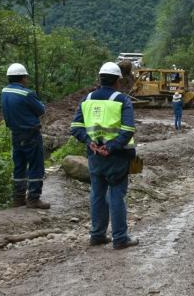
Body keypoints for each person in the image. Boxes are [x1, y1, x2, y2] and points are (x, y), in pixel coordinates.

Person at [70, 62, 138, 249]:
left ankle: (97, 235)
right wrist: (111, 146)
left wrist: (89, 141)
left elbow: (75, 127)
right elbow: (128, 129)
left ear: (100, 79)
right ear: (117, 80)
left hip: (94, 156)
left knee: (97, 194)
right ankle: (120, 238)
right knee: (117, 195)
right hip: (117, 156)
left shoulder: (87, 99)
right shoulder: (122, 100)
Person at [1, 63, 50, 209]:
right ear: (22, 78)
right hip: (30, 134)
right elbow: (41, 110)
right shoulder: (26, 93)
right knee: (36, 166)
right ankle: (34, 198)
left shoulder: (4, 91)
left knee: (19, 166)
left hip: (15, 133)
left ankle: (18, 198)